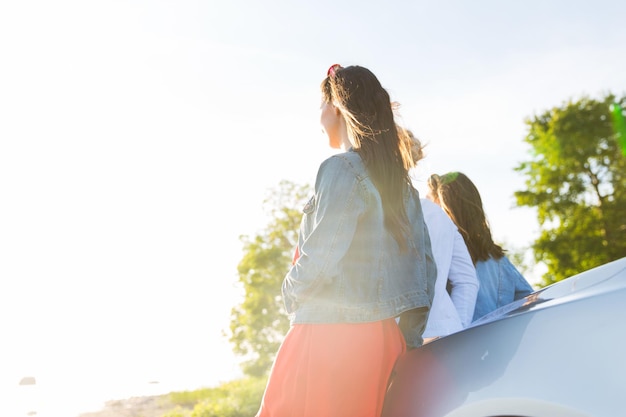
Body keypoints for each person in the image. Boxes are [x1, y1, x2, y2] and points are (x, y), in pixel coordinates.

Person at [255, 64, 437, 417]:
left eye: (321, 106)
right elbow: (424, 272)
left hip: (330, 333)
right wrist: (407, 341)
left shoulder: (340, 169)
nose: (320, 117)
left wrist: (290, 295)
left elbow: (320, 257)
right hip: (381, 340)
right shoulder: (403, 187)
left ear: (336, 108)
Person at [427, 172, 534, 321]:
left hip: (457, 344)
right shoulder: (500, 261)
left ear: (443, 207)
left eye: (430, 203)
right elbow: (531, 306)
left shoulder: (440, 260)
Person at [405, 129, 479, 342]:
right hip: (444, 335)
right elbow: (467, 281)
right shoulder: (438, 214)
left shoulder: (378, 211)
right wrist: (456, 329)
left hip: (400, 343)